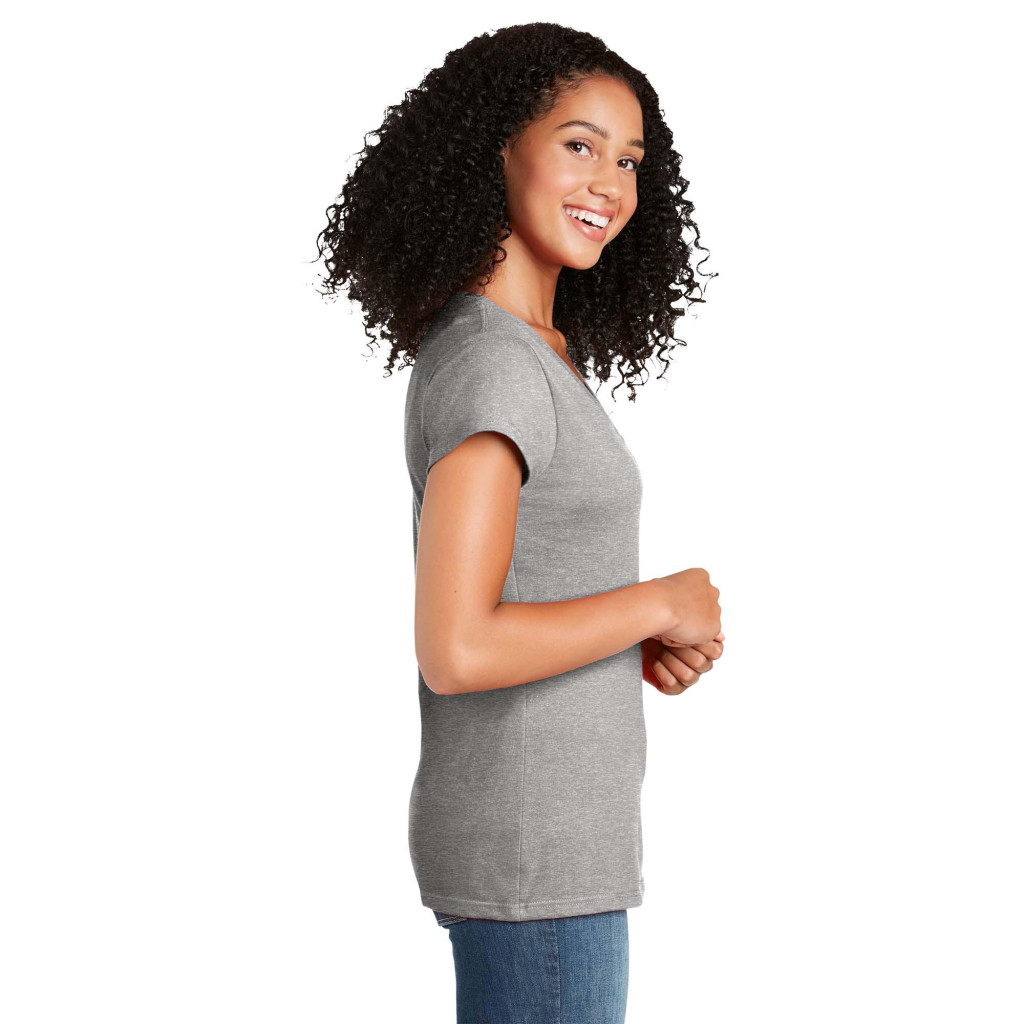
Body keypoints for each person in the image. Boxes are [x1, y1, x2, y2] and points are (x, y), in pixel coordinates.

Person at [316, 22, 724, 1024]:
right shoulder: (496, 363)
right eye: (580, 145)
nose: (610, 184)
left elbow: (518, 591)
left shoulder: (531, 352)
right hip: (534, 860)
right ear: (498, 149)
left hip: (551, 852)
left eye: (629, 160)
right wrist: (656, 602)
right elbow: (457, 647)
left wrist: (625, 639)